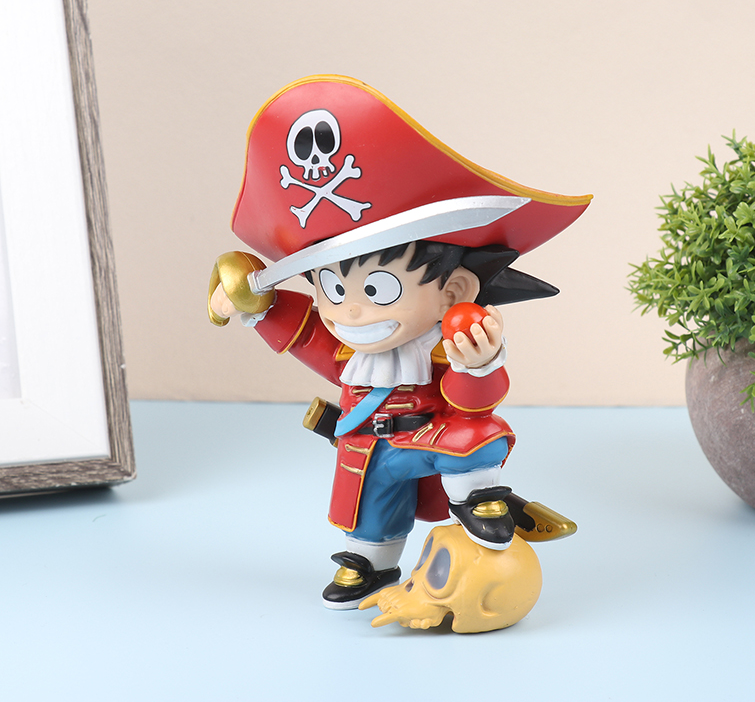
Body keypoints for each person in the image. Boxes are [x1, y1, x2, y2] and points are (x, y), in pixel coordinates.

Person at [208, 75, 591, 609]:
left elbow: (472, 403)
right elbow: (308, 337)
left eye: (379, 289)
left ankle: (480, 496)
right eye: (333, 288)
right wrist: (258, 306)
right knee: (369, 507)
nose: (351, 310)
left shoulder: (440, 348)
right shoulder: (352, 354)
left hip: (433, 437)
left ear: (453, 291)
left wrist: (479, 364)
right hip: (371, 446)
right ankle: (370, 562)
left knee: (475, 435)